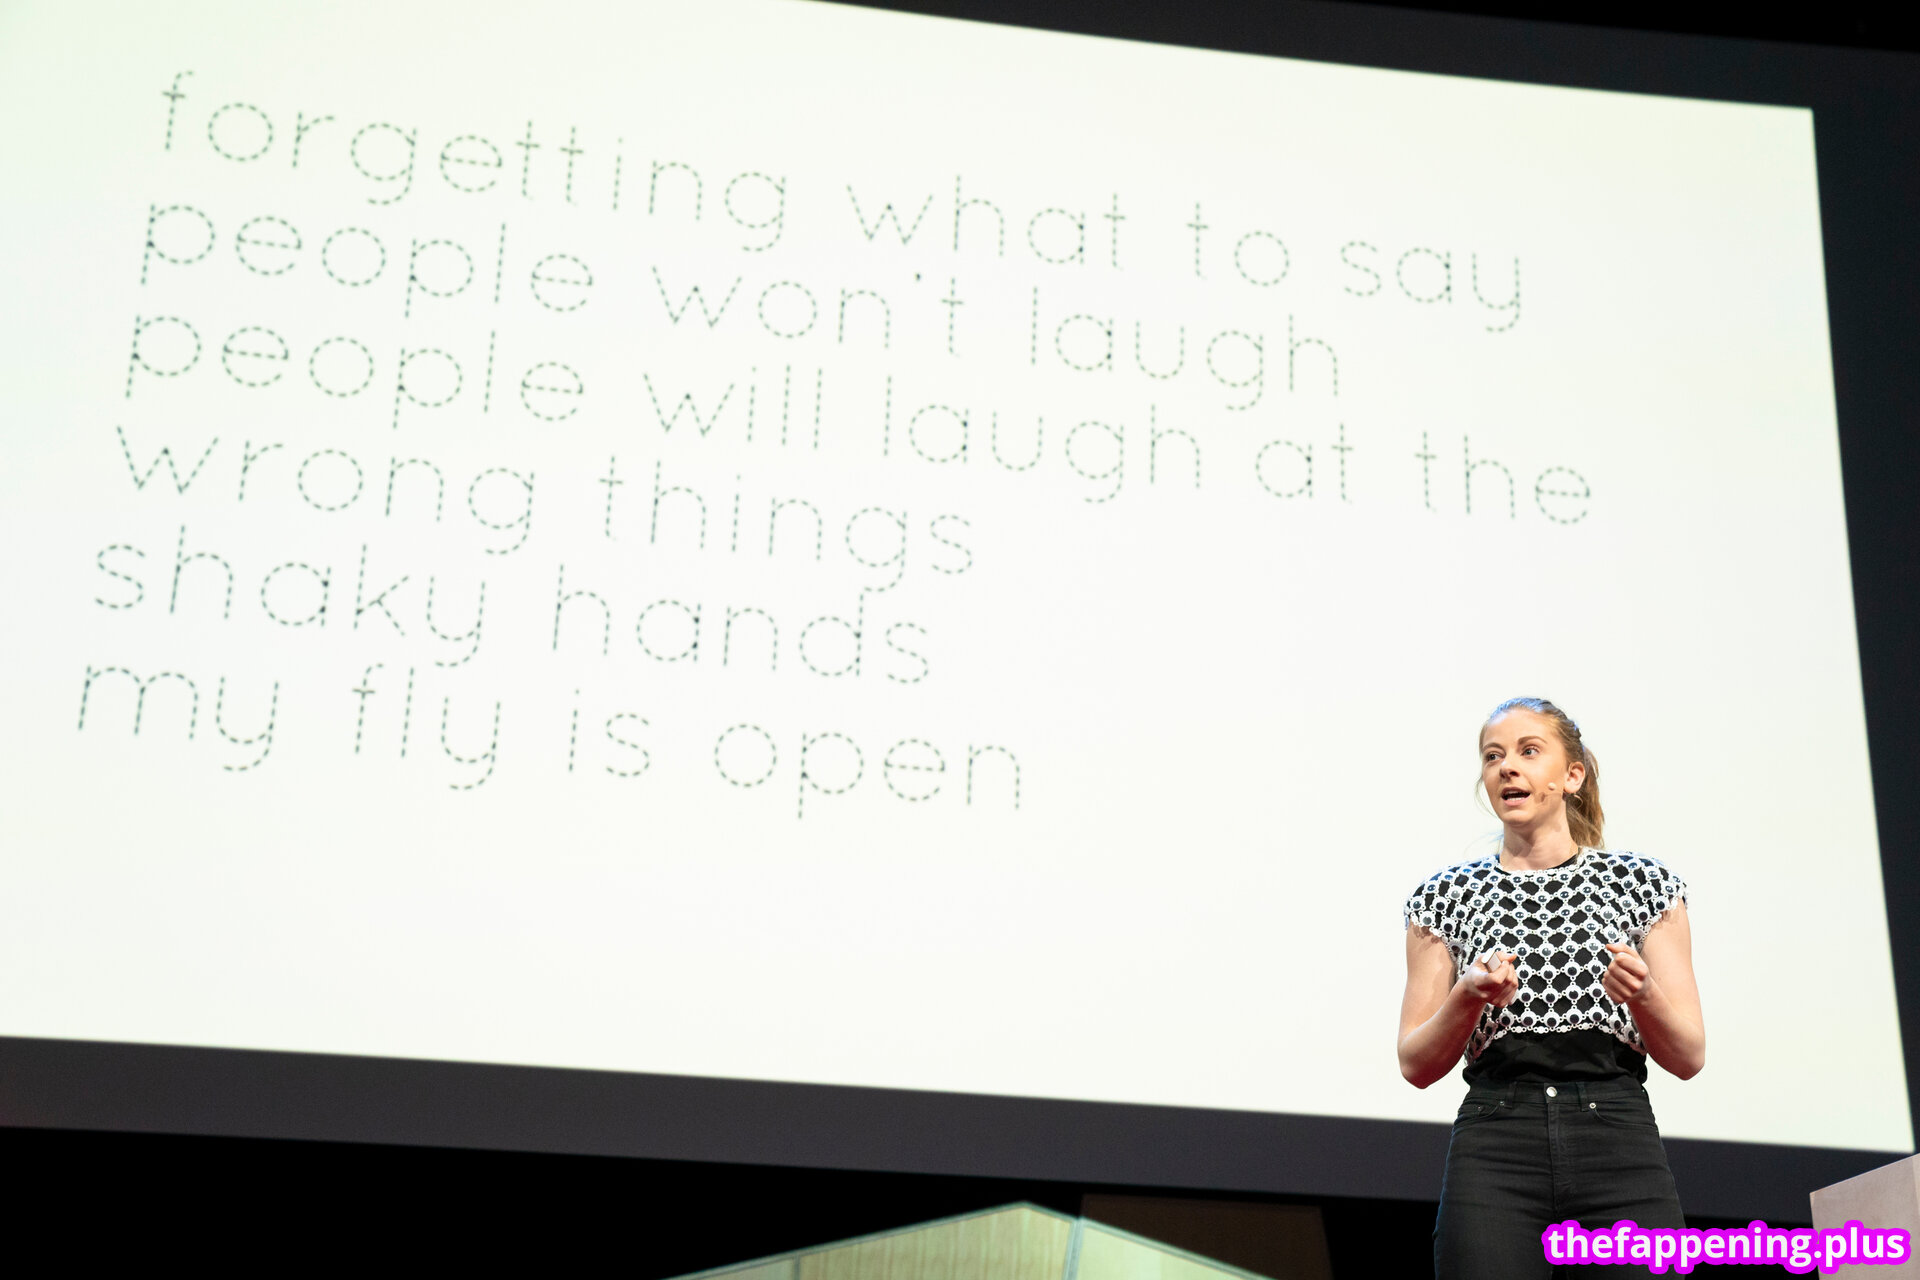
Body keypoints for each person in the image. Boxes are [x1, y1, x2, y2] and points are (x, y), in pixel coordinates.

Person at [1399, 697, 1705, 1279]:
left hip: (1617, 1139)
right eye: (1493, 756)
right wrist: (1467, 996)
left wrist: (1643, 996)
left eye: (1528, 751)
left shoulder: (1644, 885)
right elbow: (1415, 1063)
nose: (1506, 767)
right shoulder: (1443, 897)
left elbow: (1689, 1056)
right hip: (1497, 1142)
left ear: (1572, 776)